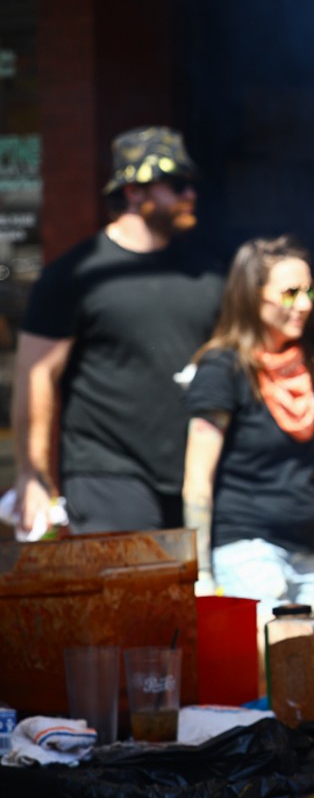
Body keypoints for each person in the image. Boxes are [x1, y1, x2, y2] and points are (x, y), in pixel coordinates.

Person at [11, 126, 224, 538]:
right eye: (177, 185)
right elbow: (36, 374)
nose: (190, 195)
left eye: (191, 185)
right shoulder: (76, 275)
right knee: (129, 601)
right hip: (108, 475)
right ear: (134, 192)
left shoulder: (208, 274)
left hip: (192, 475)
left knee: (195, 603)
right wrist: (31, 474)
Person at [181, 235, 314, 621]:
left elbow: (312, 460)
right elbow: (197, 479)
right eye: (289, 293)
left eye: (309, 291)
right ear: (253, 296)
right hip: (246, 546)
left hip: (305, 545)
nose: (304, 304)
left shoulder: (311, 363)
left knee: (300, 671)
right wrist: (198, 571)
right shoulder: (224, 367)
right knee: (263, 668)